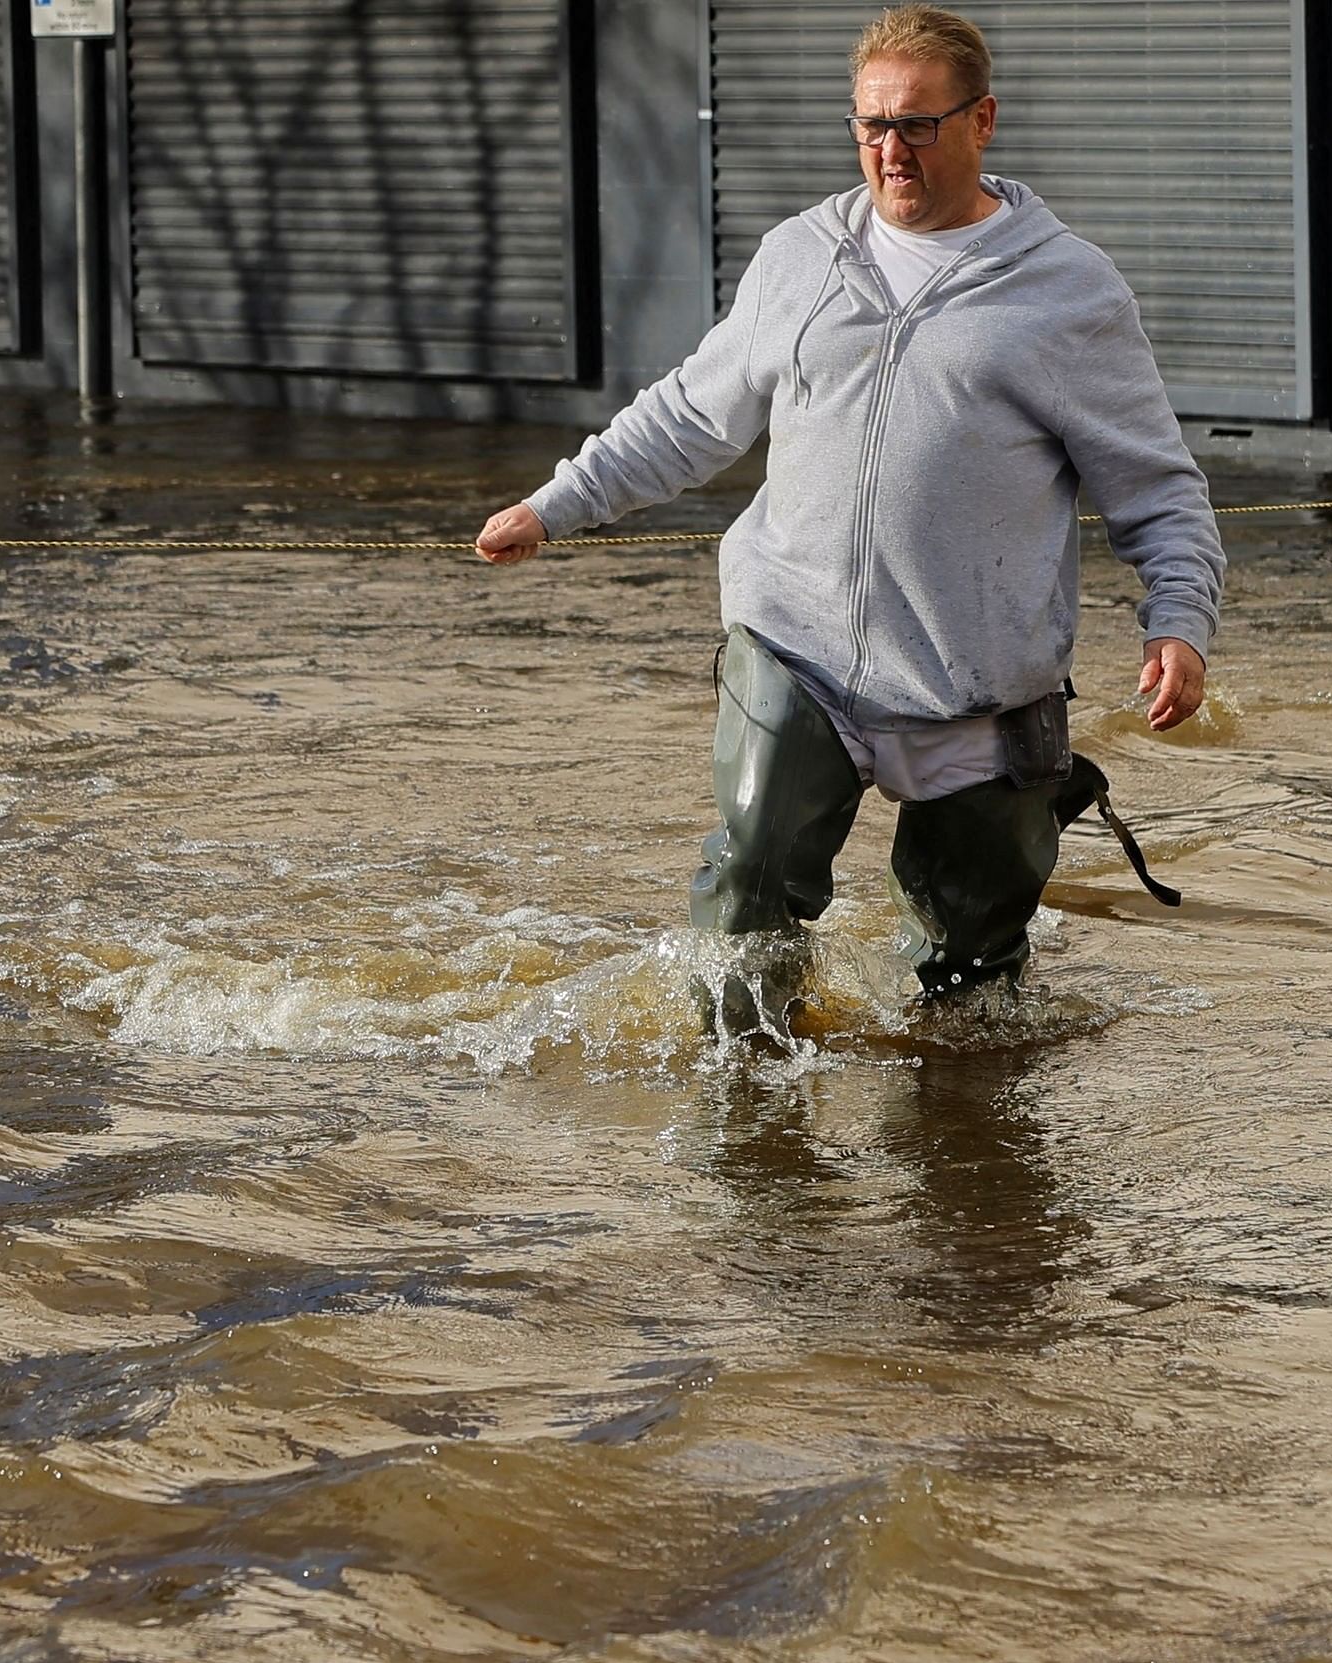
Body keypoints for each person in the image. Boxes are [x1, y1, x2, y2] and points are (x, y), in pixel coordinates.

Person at [475, 4, 1220, 1033]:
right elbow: (694, 414)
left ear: (981, 120)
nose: (889, 149)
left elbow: (1156, 486)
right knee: (746, 882)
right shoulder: (799, 256)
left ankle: (960, 1154)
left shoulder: (1067, 291)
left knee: (973, 988)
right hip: (799, 646)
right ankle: (749, 1132)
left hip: (978, 682)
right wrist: (554, 506)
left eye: (916, 123)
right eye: (869, 124)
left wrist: (1176, 623)